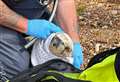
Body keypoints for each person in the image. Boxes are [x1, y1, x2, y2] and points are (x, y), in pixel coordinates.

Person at [0, 0, 83, 80]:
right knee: (16, 70)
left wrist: (74, 40)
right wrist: (26, 25)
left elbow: (65, 1)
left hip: (29, 11)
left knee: (59, 59)